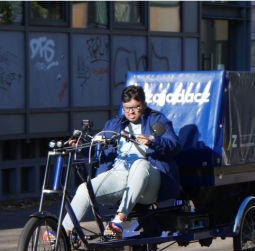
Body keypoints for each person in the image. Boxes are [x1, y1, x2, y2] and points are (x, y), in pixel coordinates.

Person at [47, 85, 180, 240]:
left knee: (140, 164)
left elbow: (174, 146)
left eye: (135, 107)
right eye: (126, 108)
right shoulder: (113, 125)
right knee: (85, 189)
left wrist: (153, 140)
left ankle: (118, 221)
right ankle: (63, 233)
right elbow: (97, 152)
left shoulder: (157, 119)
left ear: (143, 105)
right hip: (120, 174)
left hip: (150, 179)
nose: (130, 112)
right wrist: (80, 146)